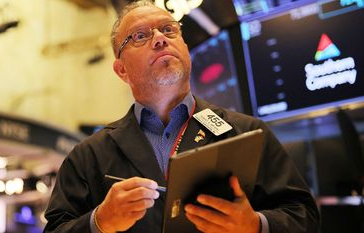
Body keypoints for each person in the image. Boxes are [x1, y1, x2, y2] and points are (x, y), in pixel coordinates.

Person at [43, 1, 319, 232]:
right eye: (140, 35)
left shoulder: (247, 133)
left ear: (185, 49)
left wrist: (256, 225)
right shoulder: (87, 156)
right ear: (121, 70)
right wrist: (99, 222)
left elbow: (304, 216)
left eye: (168, 29)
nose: (160, 38)